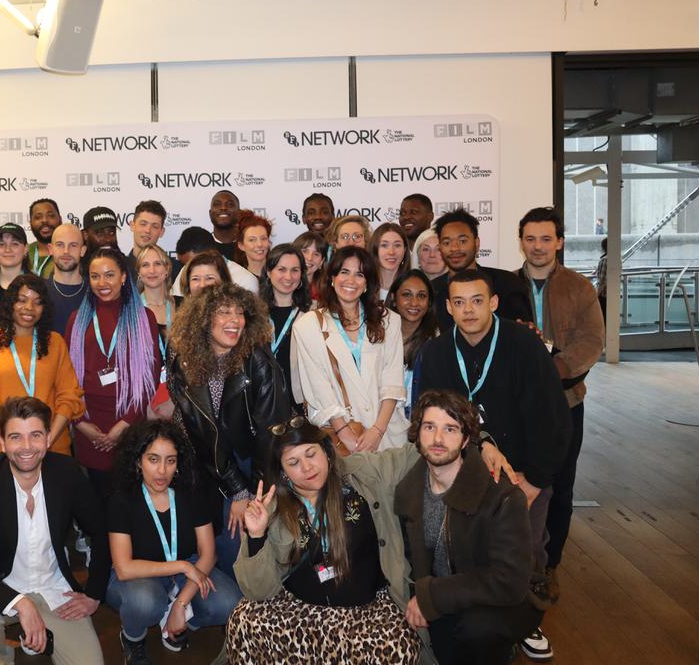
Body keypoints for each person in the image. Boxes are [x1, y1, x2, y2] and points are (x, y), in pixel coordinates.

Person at [416, 269, 570, 661]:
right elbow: (432, 417)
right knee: (469, 550)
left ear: (494, 303)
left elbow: (551, 418)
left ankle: (525, 622)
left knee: (527, 553)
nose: (469, 310)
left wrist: (534, 481)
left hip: (524, 470)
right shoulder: (436, 353)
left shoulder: (524, 345)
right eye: (459, 302)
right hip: (463, 470)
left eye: (477, 301)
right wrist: (481, 444)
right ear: (448, 308)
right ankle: (477, 621)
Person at [226, 420, 421, 664]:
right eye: (293, 463)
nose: (307, 467)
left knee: (397, 646)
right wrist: (257, 535)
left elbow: (416, 454)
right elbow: (259, 592)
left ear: (326, 452)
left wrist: (466, 437)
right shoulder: (271, 507)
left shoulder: (362, 473)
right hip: (303, 611)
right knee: (243, 618)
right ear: (283, 472)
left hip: (367, 610)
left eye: (311, 454)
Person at [0, 396, 110, 665]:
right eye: (15, 437)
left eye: (35, 435)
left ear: (48, 438)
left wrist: (94, 593)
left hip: (55, 590)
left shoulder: (68, 473)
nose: (26, 447)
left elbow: (101, 531)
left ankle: (41, 632)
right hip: (3, 588)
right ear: (2, 442)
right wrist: (20, 603)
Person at [396, 390, 545, 665]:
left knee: (478, 630)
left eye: (450, 429)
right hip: (447, 598)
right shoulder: (408, 493)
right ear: (417, 435)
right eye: (429, 427)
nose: (438, 439)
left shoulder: (502, 498)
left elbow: (510, 582)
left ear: (466, 439)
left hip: (499, 600)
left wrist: (432, 595)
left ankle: (502, 649)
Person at [167, 282, 294, 575]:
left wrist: (249, 495)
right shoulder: (185, 361)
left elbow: (271, 436)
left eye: (239, 312)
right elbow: (199, 433)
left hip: (254, 465)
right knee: (219, 545)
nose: (234, 320)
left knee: (243, 541)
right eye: (224, 312)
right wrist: (235, 488)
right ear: (203, 319)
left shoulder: (258, 361)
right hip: (209, 466)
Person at [517, 207, 604, 602]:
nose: (538, 246)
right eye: (531, 238)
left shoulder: (579, 287)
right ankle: (516, 564)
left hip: (565, 403)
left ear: (560, 242)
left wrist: (554, 370)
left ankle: (549, 565)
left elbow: (592, 341)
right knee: (517, 484)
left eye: (546, 239)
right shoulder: (505, 285)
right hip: (517, 407)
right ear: (521, 241)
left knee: (560, 486)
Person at [107, 419, 242, 664]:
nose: (162, 471)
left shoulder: (191, 491)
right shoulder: (122, 499)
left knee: (229, 603)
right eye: (153, 459)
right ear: (138, 461)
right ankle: (133, 637)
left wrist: (181, 604)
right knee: (144, 602)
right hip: (141, 575)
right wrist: (182, 566)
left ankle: (177, 621)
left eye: (170, 460)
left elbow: (208, 554)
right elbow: (124, 568)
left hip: (188, 568)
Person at [291, 246, 407, 454]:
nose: (351, 281)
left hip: (387, 433)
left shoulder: (389, 320)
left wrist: (377, 431)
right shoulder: (308, 325)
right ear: (332, 278)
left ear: (367, 284)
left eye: (359, 274)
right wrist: (345, 434)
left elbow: (393, 380)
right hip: (343, 439)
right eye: (344, 272)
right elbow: (319, 386)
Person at [67, 247, 162, 498]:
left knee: (129, 502)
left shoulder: (144, 318)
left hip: (130, 424)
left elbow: (149, 379)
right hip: (88, 426)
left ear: (123, 277)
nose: (102, 283)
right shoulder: (77, 319)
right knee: (97, 504)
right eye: (95, 276)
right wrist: (80, 423)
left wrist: (123, 426)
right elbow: (66, 379)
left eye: (109, 275)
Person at [0, 274, 84, 456]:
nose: (29, 308)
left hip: (53, 446)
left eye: (37, 302)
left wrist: (47, 439)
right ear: (10, 303)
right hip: (6, 449)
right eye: (22, 300)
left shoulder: (55, 342)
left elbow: (69, 396)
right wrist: (13, 439)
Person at [430, 208, 532, 329]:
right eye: (446, 243)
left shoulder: (508, 283)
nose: (454, 248)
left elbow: (523, 331)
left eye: (462, 241)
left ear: (477, 243)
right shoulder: (432, 291)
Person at [388, 270, 439, 420]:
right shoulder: (378, 338)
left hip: (419, 424)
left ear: (429, 302)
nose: (414, 303)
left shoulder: (436, 343)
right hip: (381, 424)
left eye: (421, 296)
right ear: (393, 299)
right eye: (407, 295)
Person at [259, 244, 311, 388]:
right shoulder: (254, 315)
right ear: (269, 272)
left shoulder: (312, 315)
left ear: (301, 275)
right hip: (263, 396)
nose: (288, 277)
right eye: (281, 269)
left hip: (298, 398)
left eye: (295, 270)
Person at [136, 244, 177, 417]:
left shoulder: (183, 305)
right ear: (139, 272)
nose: (152, 270)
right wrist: (145, 405)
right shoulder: (130, 311)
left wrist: (176, 399)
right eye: (145, 265)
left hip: (180, 396)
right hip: (143, 398)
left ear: (166, 269)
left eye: (157, 264)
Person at [171, 228, 258, 296]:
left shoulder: (245, 279)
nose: (202, 285)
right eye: (195, 279)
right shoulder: (184, 271)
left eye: (209, 278)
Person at [47, 223, 88, 336]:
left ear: (82, 250)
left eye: (73, 245)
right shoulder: (38, 292)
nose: (66, 251)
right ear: (50, 249)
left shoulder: (95, 291)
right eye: (60, 245)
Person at [127, 200, 181, 282]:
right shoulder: (120, 267)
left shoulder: (176, 269)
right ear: (132, 226)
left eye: (154, 226)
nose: (148, 230)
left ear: (161, 232)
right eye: (143, 224)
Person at [372, 222, 411, 302]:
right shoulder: (363, 286)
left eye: (397, 245)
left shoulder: (413, 286)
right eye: (384, 245)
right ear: (375, 249)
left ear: (405, 250)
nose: (391, 252)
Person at [0, 222, 30, 302]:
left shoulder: (38, 285)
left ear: (25, 248)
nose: (8, 250)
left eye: (14, 244)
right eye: (1, 244)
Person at [234, 209, 272, 282]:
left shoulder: (280, 275)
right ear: (241, 245)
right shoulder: (237, 279)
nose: (259, 244)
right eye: (252, 240)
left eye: (263, 238)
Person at [28, 198, 62, 278]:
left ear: (60, 220)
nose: (45, 220)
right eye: (38, 217)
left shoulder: (69, 252)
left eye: (51, 216)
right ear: (30, 223)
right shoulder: (23, 253)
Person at [293, 229, 327, 300]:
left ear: (321, 262)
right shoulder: (283, 287)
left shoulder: (327, 292)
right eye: (305, 251)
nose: (310, 258)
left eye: (316, 254)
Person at [208, 190, 241, 260]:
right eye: (217, 204)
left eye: (230, 204)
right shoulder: (202, 247)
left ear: (239, 213)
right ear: (210, 214)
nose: (223, 208)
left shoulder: (249, 246)